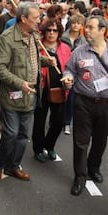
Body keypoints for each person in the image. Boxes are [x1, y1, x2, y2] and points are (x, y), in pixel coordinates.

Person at [0, 1, 56, 183]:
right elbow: (0, 69)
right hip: (13, 95)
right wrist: (20, 83)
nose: (39, 20)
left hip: (32, 95)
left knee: (22, 135)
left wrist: (46, 61)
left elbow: (32, 59)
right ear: (24, 18)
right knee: (10, 133)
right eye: (36, 18)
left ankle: (13, 166)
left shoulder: (34, 35)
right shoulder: (7, 38)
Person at [62, 15, 108, 196]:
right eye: (86, 27)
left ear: (102, 30)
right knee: (81, 142)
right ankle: (79, 177)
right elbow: (69, 69)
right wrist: (68, 78)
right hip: (83, 103)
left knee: (100, 140)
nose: (85, 30)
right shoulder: (79, 52)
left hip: (105, 104)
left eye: (90, 27)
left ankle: (94, 167)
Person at [32, 18, 71, 163]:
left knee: (58, 122)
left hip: (60, 89)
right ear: (44, 31)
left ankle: (50, 145)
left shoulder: (65, 48)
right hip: (42, 90)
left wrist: (69, 79)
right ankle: (38, 149)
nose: (51, 33)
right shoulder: (37, 46)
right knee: (39, 121)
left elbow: (70, 68)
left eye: (55, 30)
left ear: (59, 32)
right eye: (49, 30)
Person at [60, 14, 87, 135]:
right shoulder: (62, 37)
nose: (76, 25)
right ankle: (56, 120)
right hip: (61, 69)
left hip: (75, 72)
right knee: (59, 96)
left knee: (71, 98)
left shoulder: (83, 40)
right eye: (74, 23)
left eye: (79, 23)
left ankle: (66, 122)